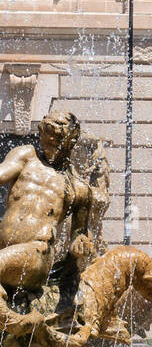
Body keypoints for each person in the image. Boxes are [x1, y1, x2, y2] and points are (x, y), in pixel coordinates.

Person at [0, 111, 92, 300]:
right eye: (44, 138)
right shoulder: (26, 156)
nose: (46, 145)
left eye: (55, 143)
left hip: (36, 255)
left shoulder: (79, 188)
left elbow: (78, 234)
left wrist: (80, 245)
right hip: (4, 251)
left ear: (69, 143)